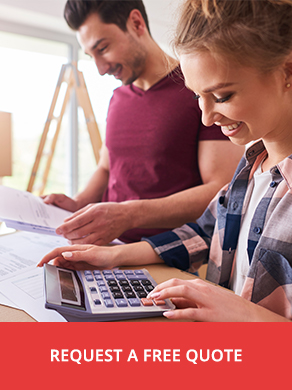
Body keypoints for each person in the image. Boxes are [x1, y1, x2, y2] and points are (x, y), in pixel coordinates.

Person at [39, 0, 292, 322]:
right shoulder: (251, 166)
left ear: (288, 70)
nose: (206, 117)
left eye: (223, 96)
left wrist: (245, 317)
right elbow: (206, 231)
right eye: (198, 96)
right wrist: (114, 255)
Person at [43, 0, 243, 245]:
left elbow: (220, 190)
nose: (100, 69)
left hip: (167, 254)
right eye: (91, 56)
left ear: (136, 23)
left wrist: (129, 215)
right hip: (106, 247)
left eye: (103, 48)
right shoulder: (117, 98)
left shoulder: (198, 91)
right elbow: (107, 168)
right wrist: (77, 203)